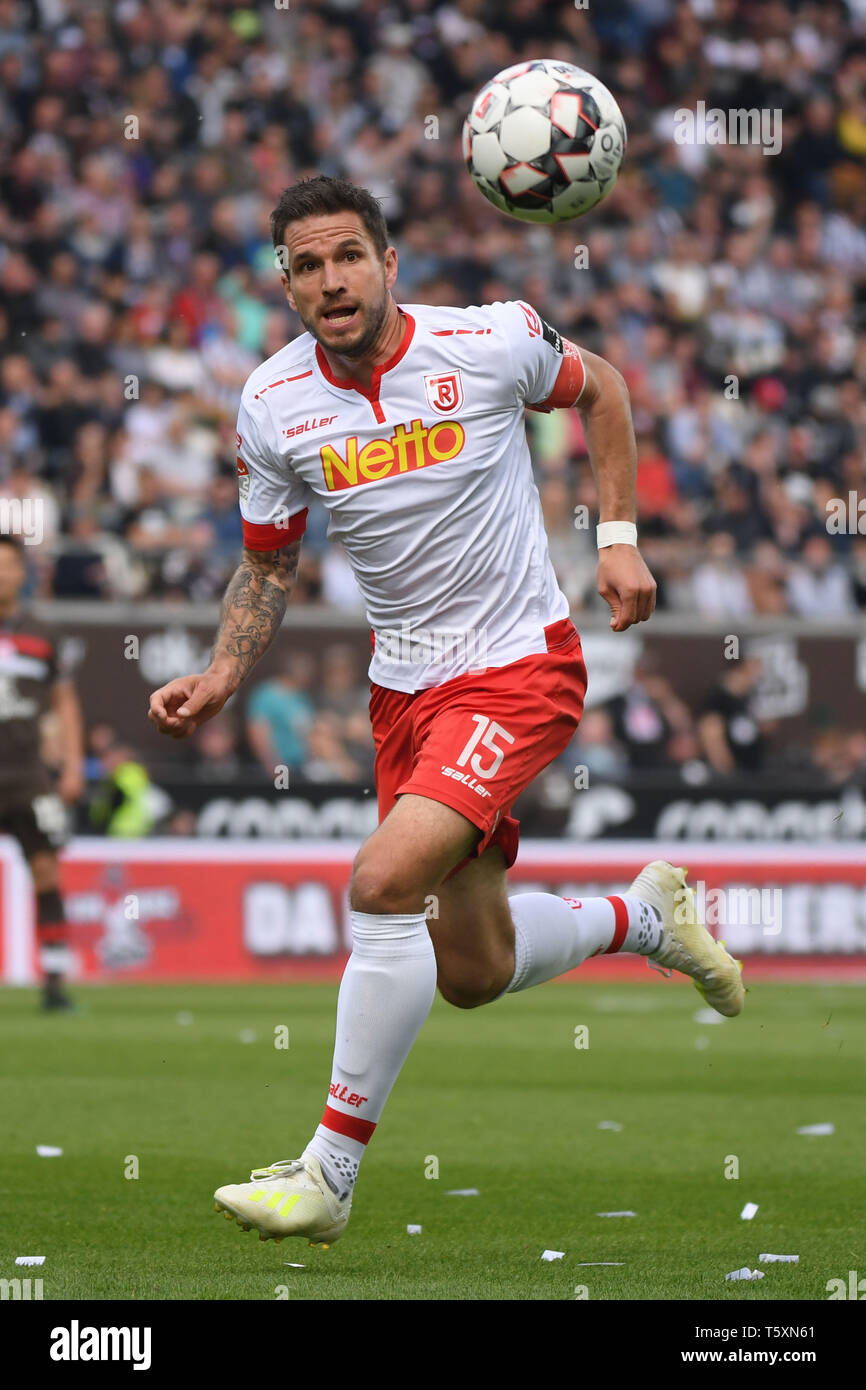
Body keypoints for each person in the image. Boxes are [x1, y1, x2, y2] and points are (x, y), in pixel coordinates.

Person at [148, 176, 744, 1249]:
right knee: (468, 969)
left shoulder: (487, 340)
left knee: (379, 879)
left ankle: (326, 1174)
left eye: (347, 257)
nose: (330, 280)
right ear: (284, 286)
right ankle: (644, 918)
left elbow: (600, 386)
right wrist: (220, 674)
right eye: (306, 265)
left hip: (518, 668)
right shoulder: (272, 404)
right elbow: (267, 568)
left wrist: (615, 537)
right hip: (404, 693)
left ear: (387, 263)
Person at [0, 534, 84, 1009]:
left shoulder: (42, 633)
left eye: (9, 564)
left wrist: (71, 766)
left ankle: (54, 981)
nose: (2, 573)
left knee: (47, 872)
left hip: (29, 774)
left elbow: (65, 704)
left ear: (22, 572)